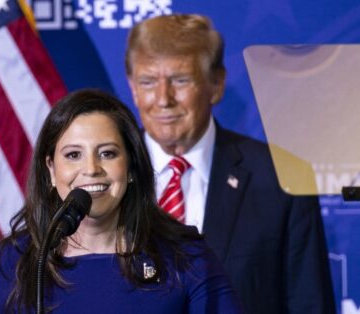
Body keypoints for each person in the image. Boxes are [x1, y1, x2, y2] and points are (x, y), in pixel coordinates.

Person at [125, 14, 336, 314]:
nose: (163, 99)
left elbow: (310, 306)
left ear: (216, 84)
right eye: (148, 82)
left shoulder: (279, 177)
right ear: (133, 87)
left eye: (180, 80)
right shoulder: (107, 178)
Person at [0, 89, 244, 313]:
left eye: (107, 153)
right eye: (72, 155)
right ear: (50, 170)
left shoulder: (185, 256)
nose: (91, 169)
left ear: (130, 167)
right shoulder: (14, 261)